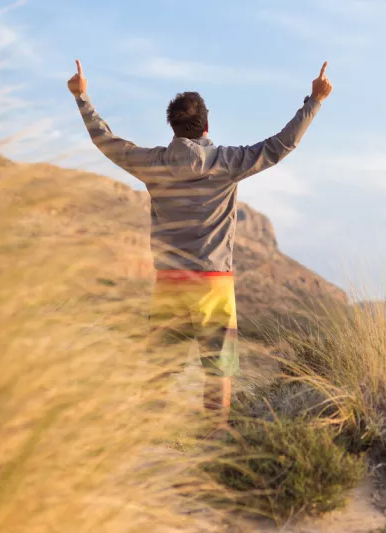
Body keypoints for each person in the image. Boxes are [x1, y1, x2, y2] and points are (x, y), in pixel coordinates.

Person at [67, 58, 333, 436]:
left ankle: (147, 438)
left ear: (173, 127)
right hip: (213, 282)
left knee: (161, 367)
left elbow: (105, 141)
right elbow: (282, 144)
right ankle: (213, 437)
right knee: (219, 368)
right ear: (206, 125)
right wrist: (315, 100)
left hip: (170, 280)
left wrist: (82, 97)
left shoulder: (152, 163)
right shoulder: (226, 162)